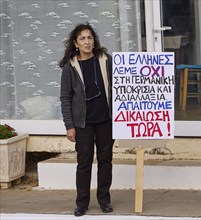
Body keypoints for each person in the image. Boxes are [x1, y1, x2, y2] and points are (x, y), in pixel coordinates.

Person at [59, 23, 114, 217]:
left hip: (106, 120)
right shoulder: (70, 67)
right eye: (82, 38)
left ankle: (104, 200)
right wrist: (69, 126)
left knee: (105, 161)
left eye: (90, 37)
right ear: (75, 43)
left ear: (94, 40)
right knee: (84, 163)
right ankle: (82, 203)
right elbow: (65, 98)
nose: (87, 41)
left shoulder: (106, 60)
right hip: (82, 123)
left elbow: (120, 86)